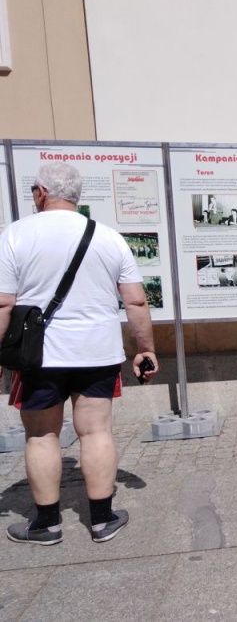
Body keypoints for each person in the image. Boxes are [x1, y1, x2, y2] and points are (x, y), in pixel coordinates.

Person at [0, 162, 158, 545]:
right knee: (96, 430)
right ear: (77, 196)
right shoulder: (107, 237)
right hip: (97, 351)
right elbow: (136, 301)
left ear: (40, 192)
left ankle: (47, 525)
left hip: (40, 356)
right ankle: (102, 520)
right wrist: (146, 349)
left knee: (40, 437)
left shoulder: (14, 236)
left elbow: (3, 305)